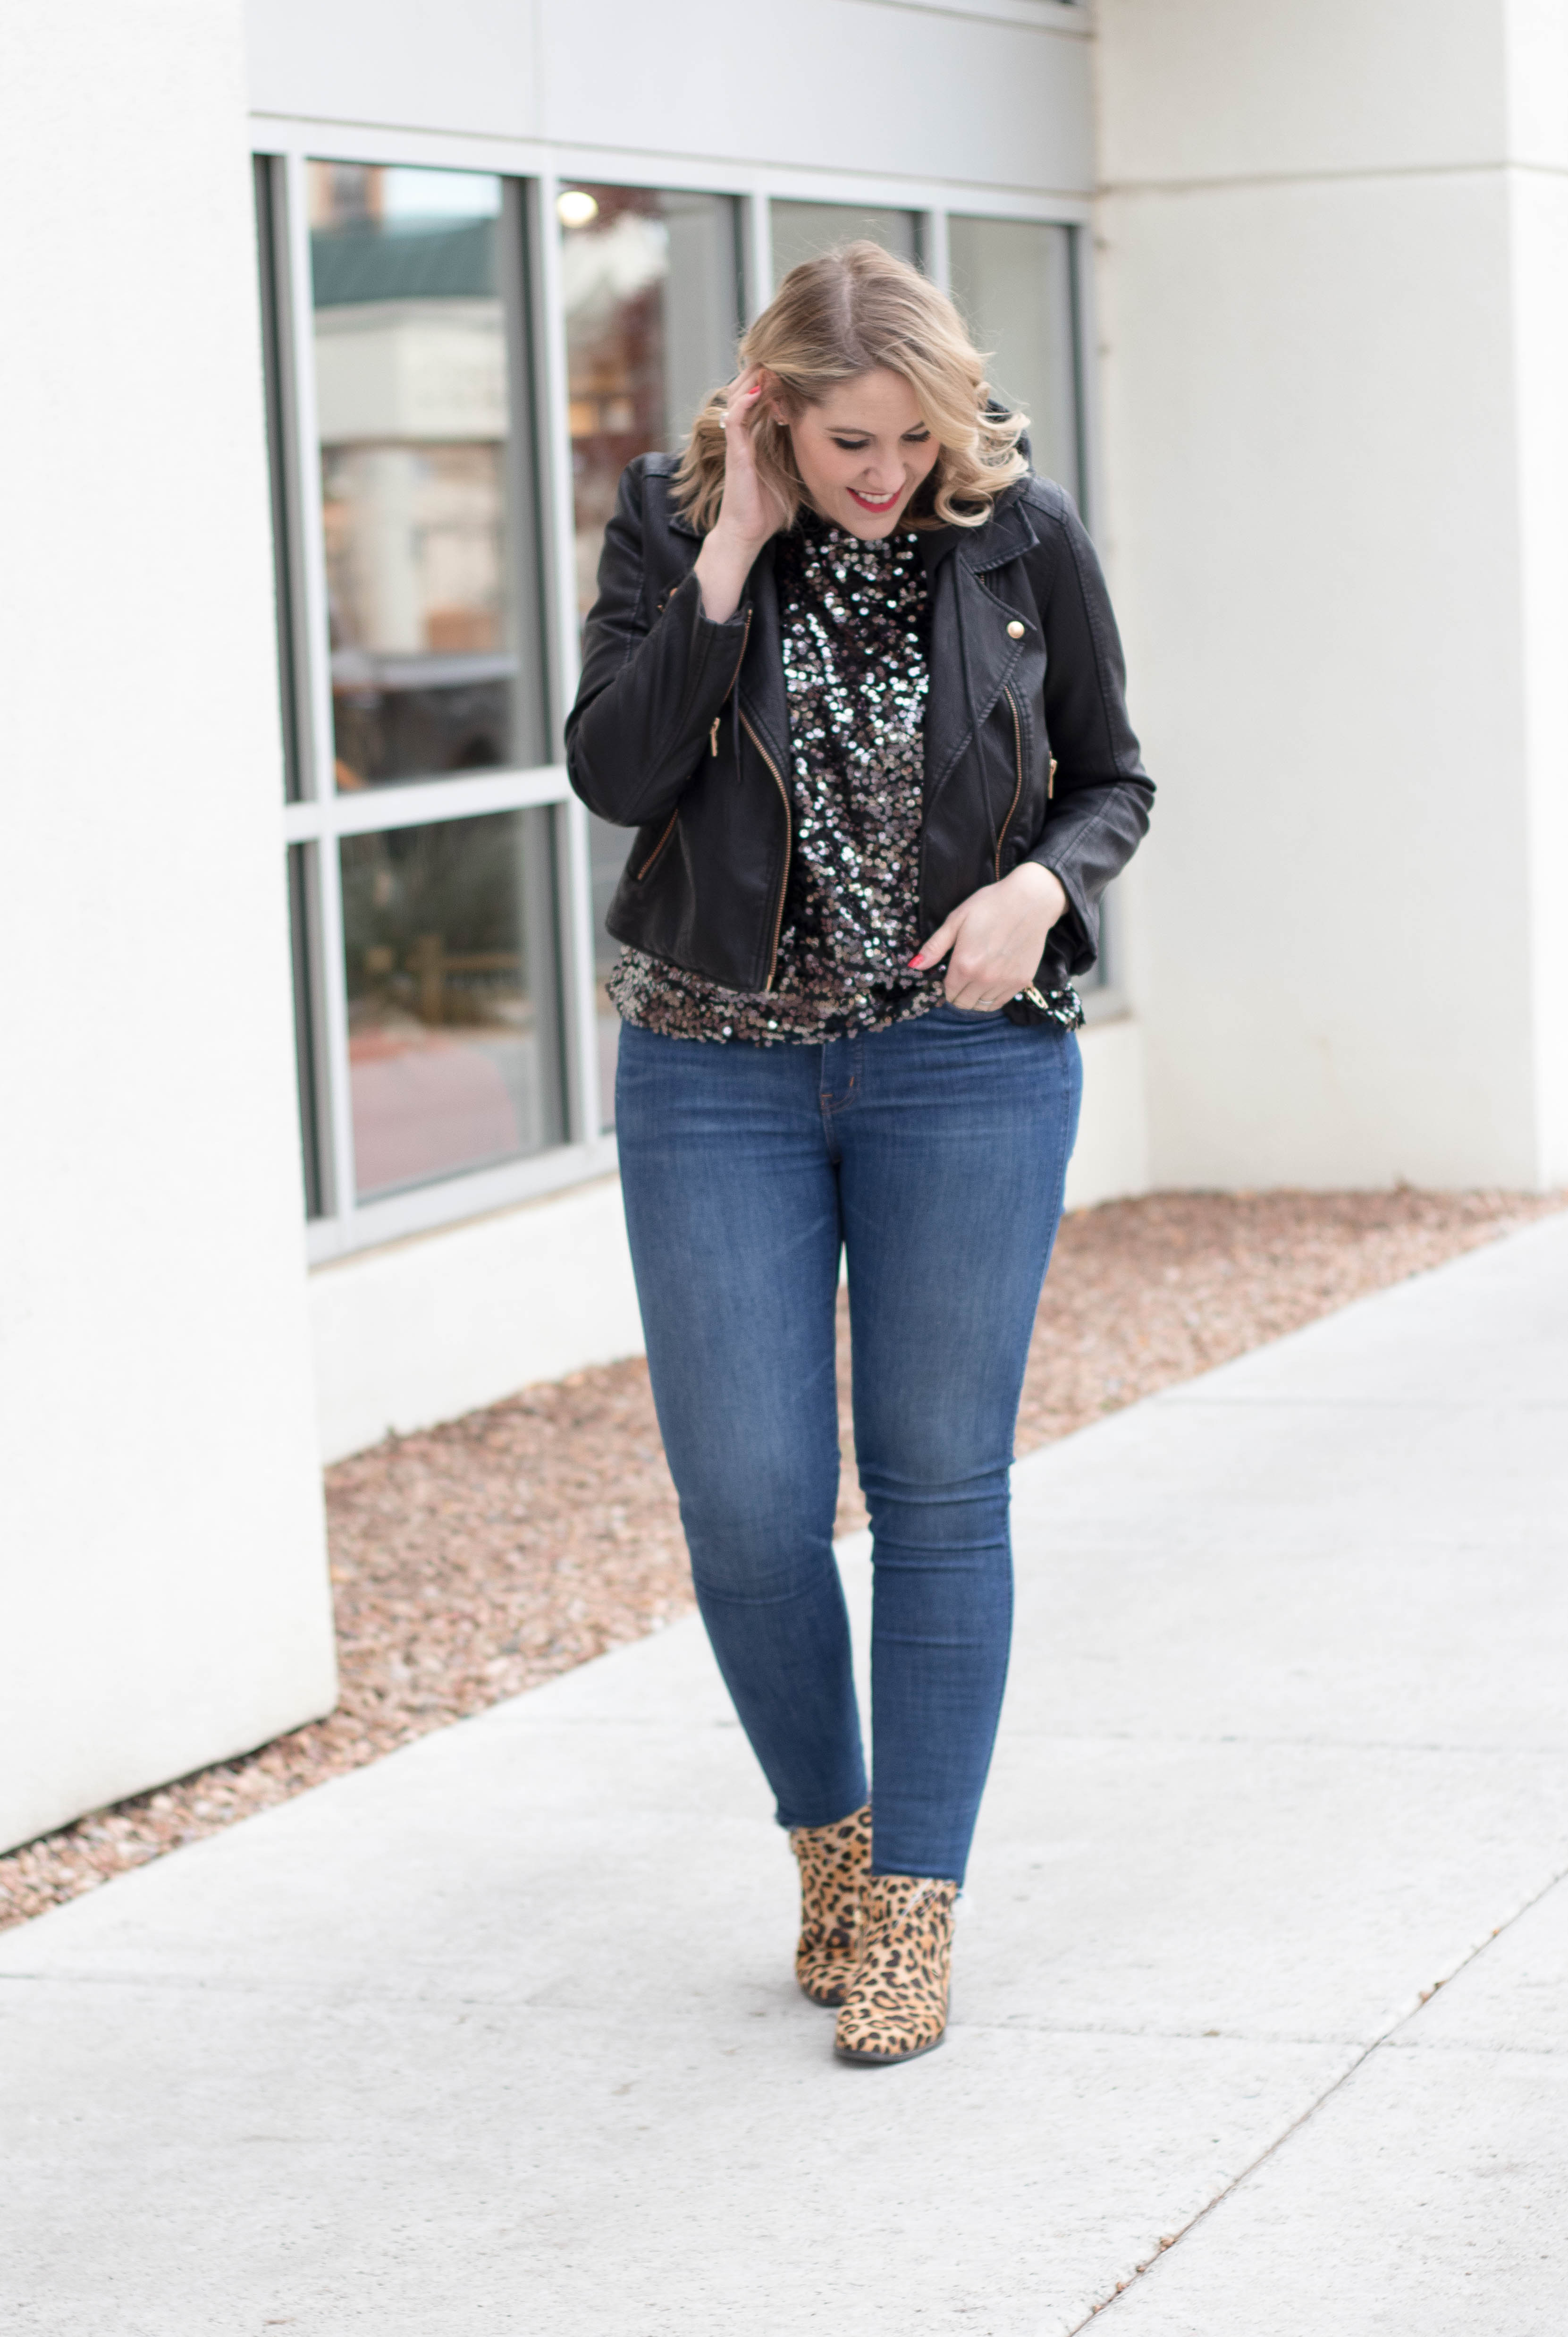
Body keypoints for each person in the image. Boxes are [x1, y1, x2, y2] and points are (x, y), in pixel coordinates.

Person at [567, 242, 1152, 2066]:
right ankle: (823, 1846)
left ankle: (914, 1902)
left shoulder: (1019, 534)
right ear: (770, 415)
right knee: (746, 1508)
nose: (882, 474)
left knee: (937, 1491)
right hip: (710, 1075)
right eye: (841, 442)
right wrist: (735, 552)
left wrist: (1040, 890)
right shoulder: (674, 531)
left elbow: (1110, 775)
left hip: (958, 1074)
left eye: (908, 436)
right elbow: (612, 770)